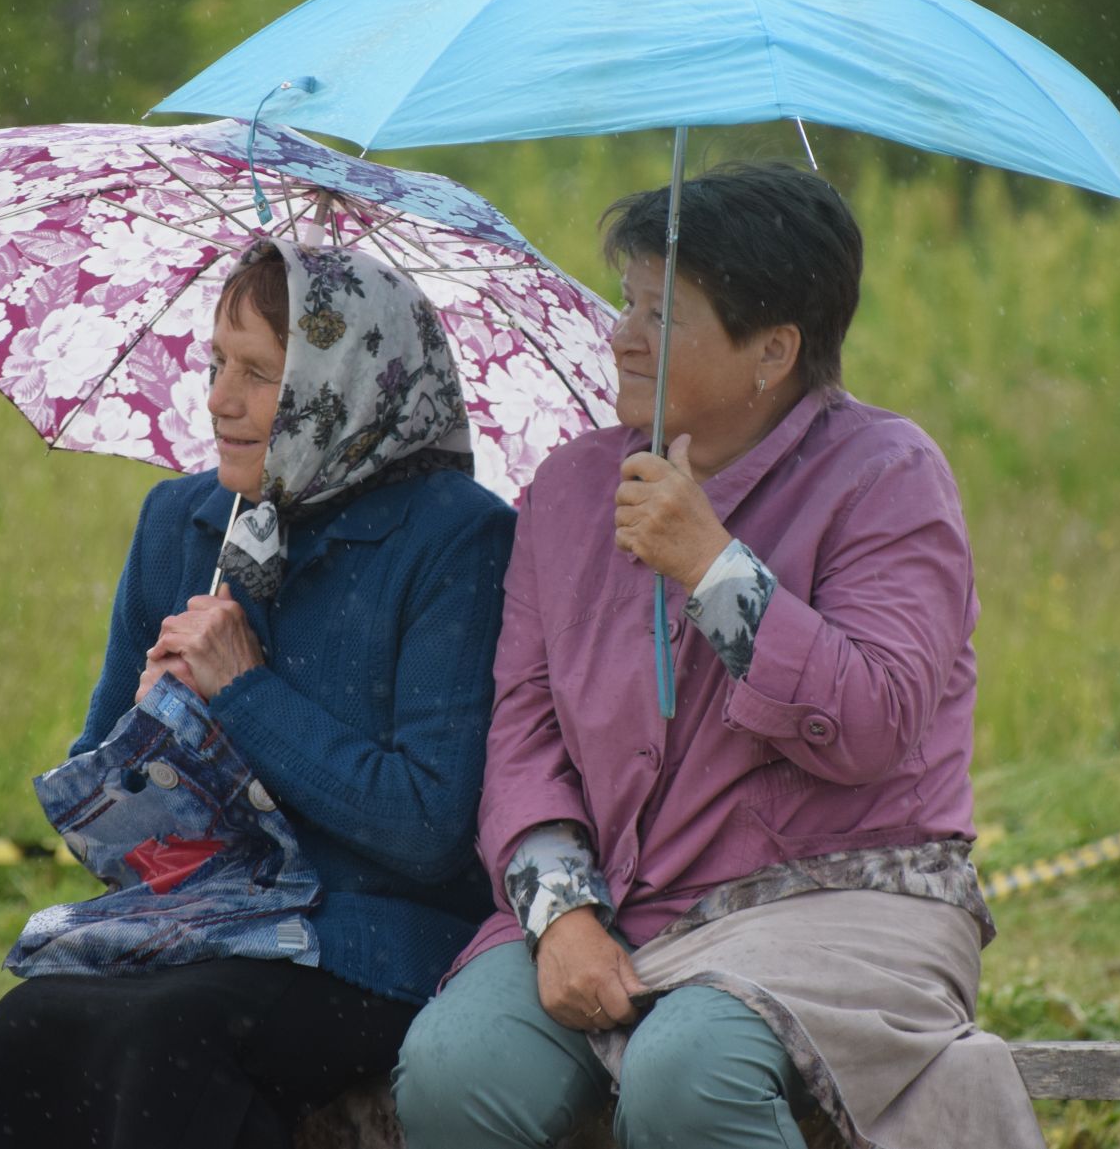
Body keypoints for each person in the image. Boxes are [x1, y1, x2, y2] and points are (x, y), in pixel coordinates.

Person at [393, 163, 1044, 1149]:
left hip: (841, 901)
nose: (621, 335)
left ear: (772, 351)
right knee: (455, 1073)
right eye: (627, 302)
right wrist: (561, 914)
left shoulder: (888, 479)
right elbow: (523, 733)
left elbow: (869, 726)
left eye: (664, 314)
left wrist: (710, 566)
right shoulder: (570, 490)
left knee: (690, 1072)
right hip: (619, 904)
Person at [0, 239, 515, 1149]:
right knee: (36, 1019)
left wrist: (244, 693)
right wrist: (149, 735)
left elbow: (428, 826)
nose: (218, 399)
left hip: (372, 936)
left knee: (173, 1030)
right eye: (217, 362)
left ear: (349, 387)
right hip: (201, 920)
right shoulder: (184, 521)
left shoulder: (455, 539)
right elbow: (102, 826)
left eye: (259, 372)